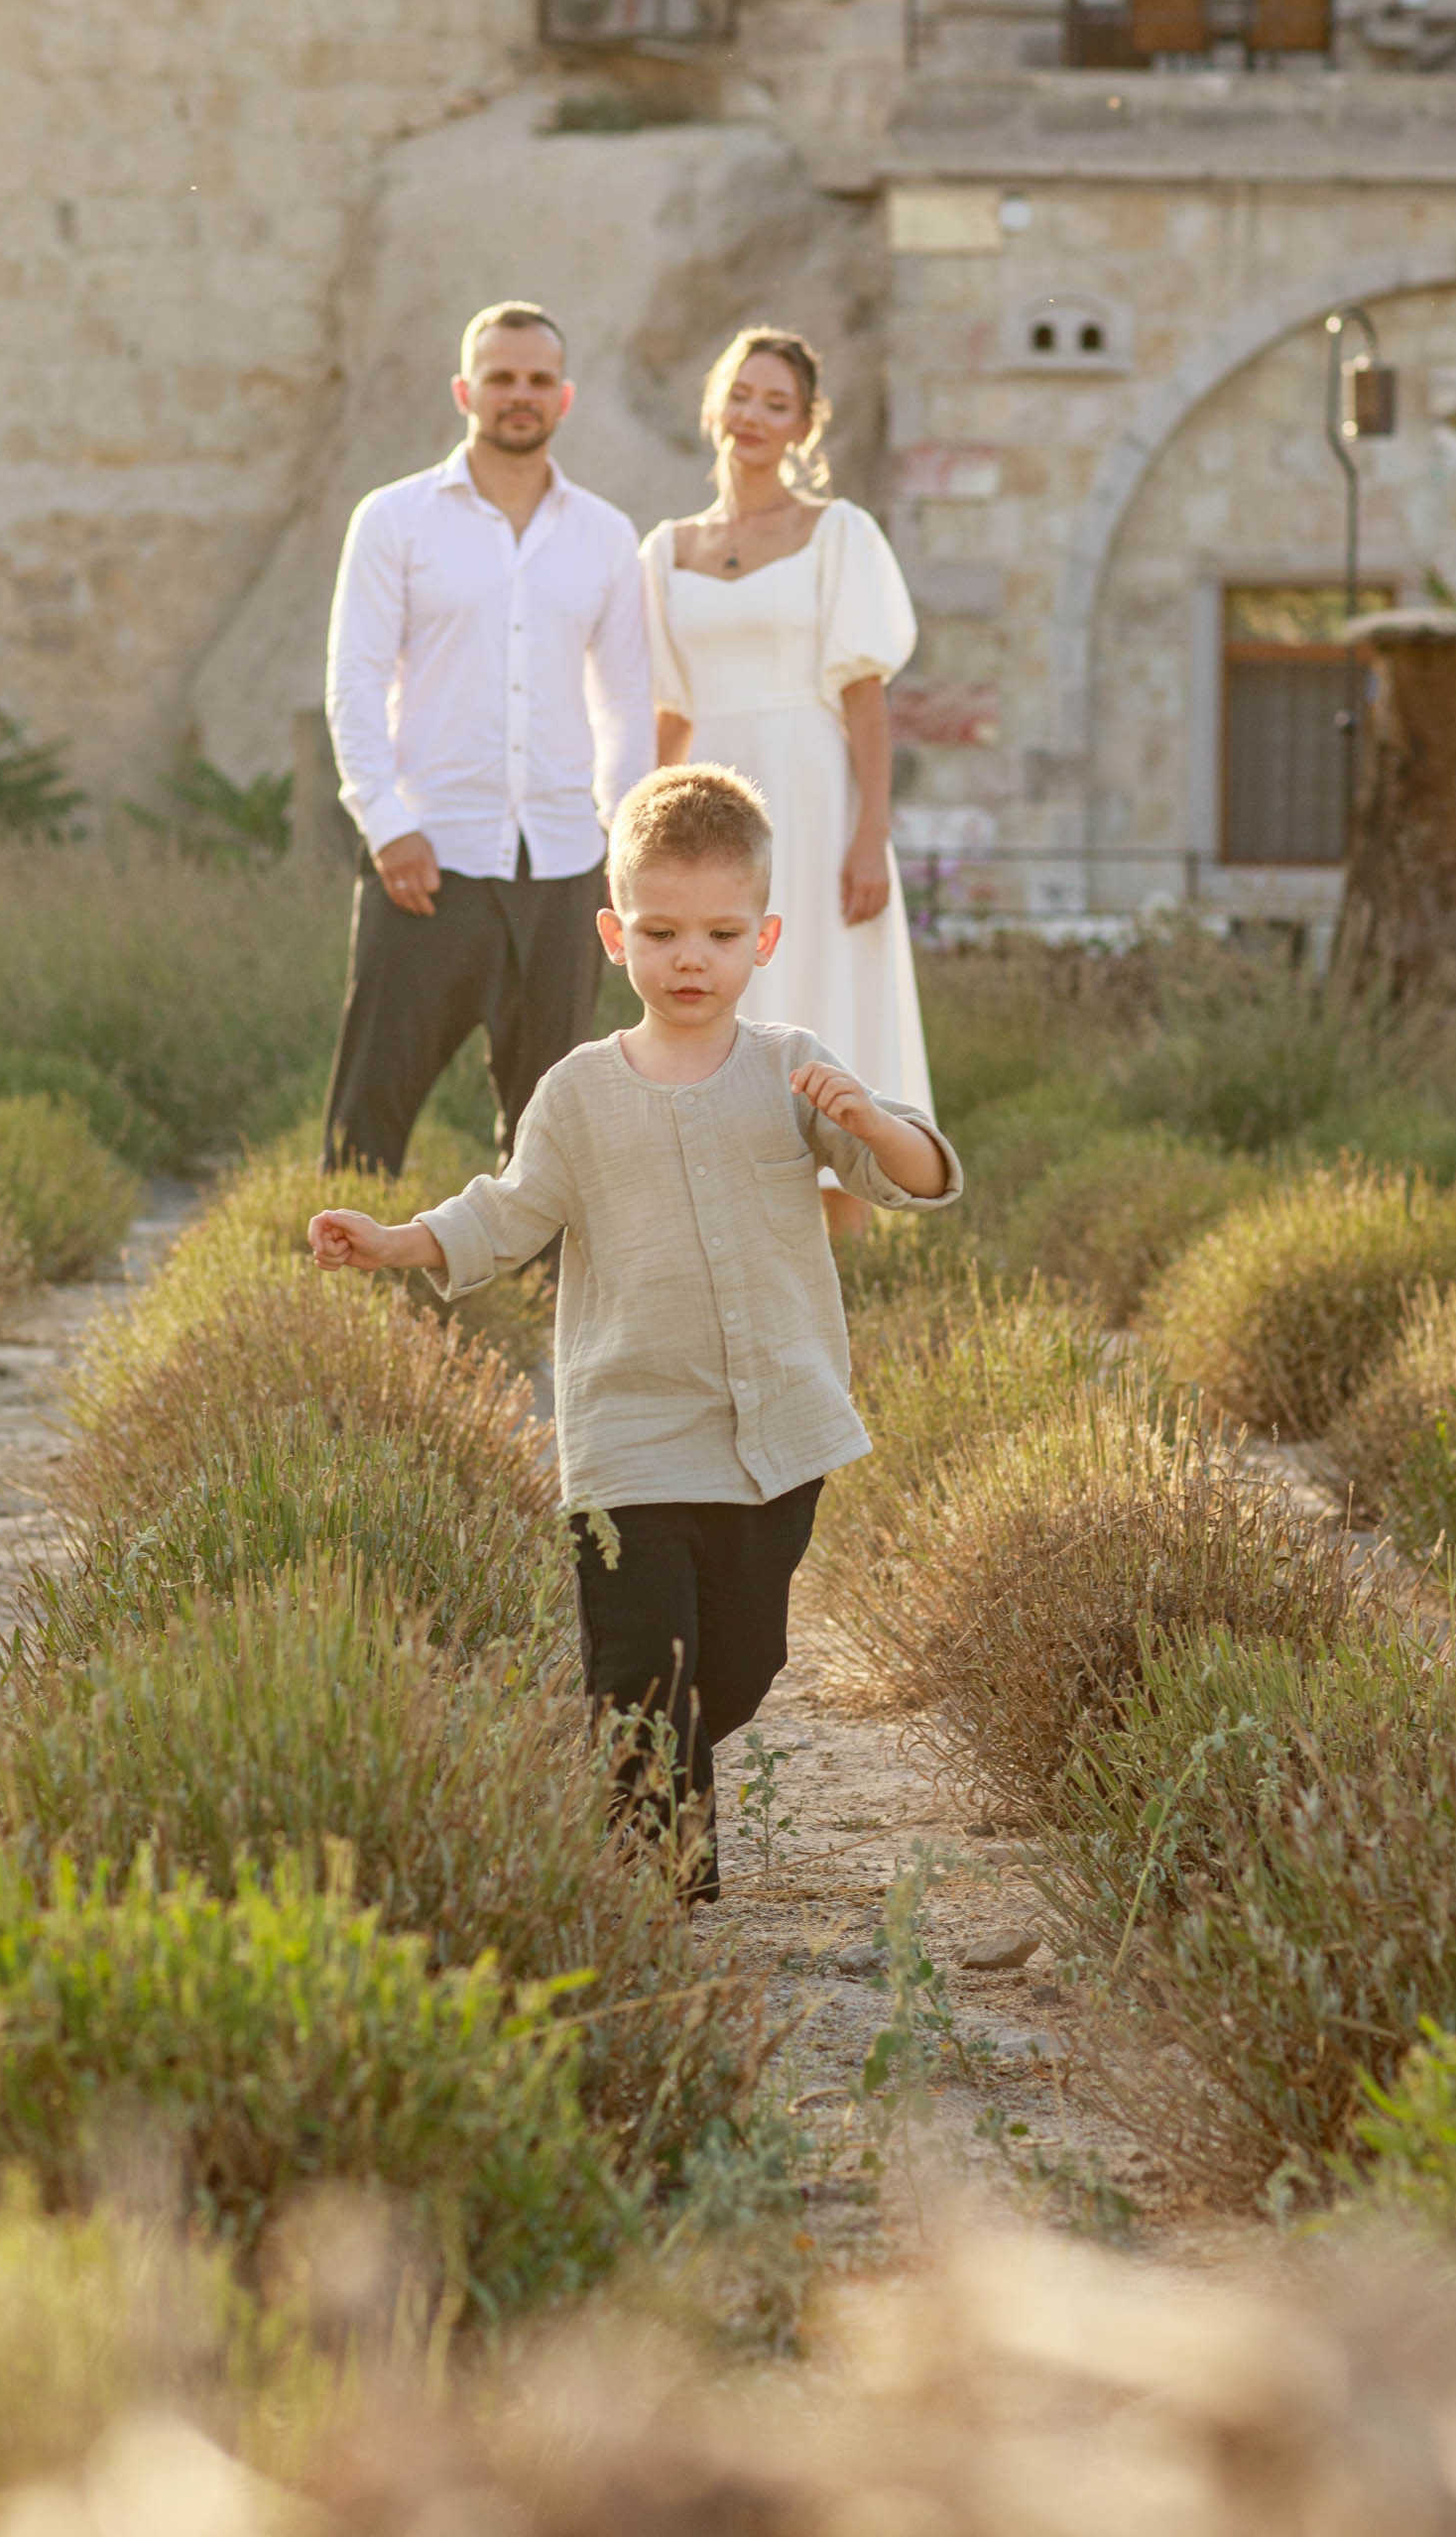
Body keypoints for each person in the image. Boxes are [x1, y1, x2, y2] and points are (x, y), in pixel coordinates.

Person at [308, 762, 961, 1900]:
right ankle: (648, 1895)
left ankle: (628, 1805)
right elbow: (504, 1212)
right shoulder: (575, 1092)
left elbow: (911, 1177)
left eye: (718, 934)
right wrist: (394, 1239)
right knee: (638, 1676)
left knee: (740, 1664)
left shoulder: (791, 1068)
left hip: (775, 1437)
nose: (688, 958)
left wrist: (870, 1122)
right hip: (629, 1440)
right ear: (614, 937)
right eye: (660, 933)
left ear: (762, 940)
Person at [319, 301, 653, 1175]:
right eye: (501, 377)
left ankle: (536, 1272)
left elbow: (625, 701)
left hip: (564, 867)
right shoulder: (393, 519)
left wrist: (621, 846)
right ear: (465, 390)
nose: (520, 394)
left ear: (565, 398)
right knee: (368, 1121)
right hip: (427, 860)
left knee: (549, 1134)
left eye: (539, 379)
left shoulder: (606, 536)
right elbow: (354, 680)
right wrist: (386, 824)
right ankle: (343, 1261)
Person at [639, 328, 934, 1240]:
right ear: (713, 406)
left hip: (812, 804)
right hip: (705, 811)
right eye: (742, 395)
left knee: (822, 1007)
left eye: (778, 404)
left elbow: (864, 698)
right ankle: (726, 1246)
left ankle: (839, 1263)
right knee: (714, 999)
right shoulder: (665, 552)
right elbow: (667, 716)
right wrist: (642, 849)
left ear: (805, 426)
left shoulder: (838, 534)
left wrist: (870, 835)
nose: (755, 416)